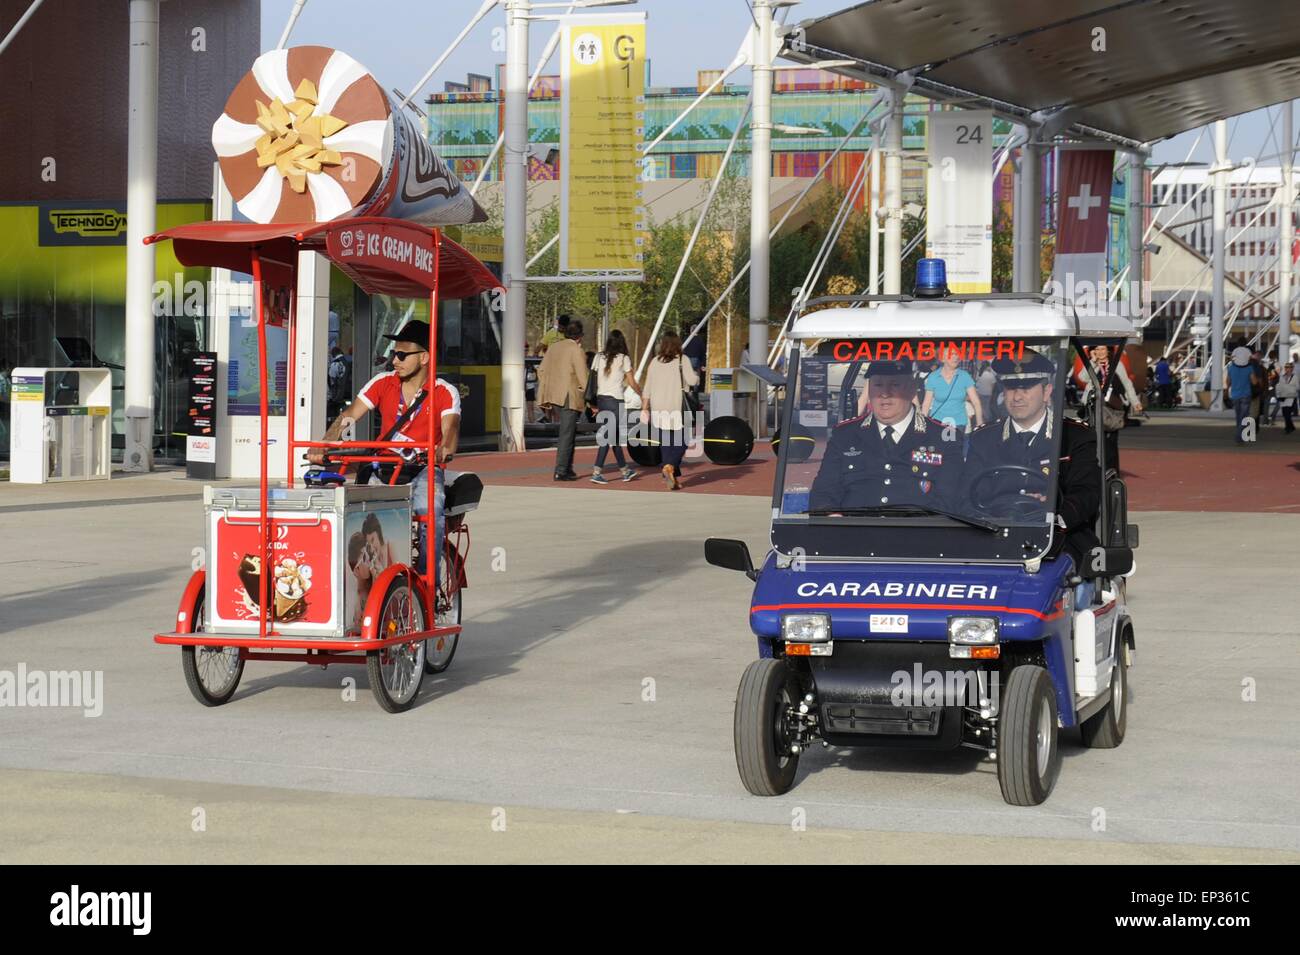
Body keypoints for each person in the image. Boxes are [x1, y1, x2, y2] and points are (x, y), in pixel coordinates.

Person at [309, 320, 461, 580]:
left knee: (430, 511)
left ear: (424, 357)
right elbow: (348, 416)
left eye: (402, 355)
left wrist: (444, 448)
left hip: (422, 468)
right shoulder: (382, 383)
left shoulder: (444, 391)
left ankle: (427, 584)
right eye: (394, 354)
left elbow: (450, 432)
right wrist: (324, 444)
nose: (395, 361)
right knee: (355, 514)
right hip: (384, 465)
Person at [966, 350, 1101, 570]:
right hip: (994, 537)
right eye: (1011, 388)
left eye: (1026, 388)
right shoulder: (984, 438)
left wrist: (1053, 516)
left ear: (1047, 391)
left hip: (1058, 539)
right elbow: (968, 494)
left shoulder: (1074, 436)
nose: (1017, 397)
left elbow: (1086, 493)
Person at [809, 360, 963, 512]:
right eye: (878, 385)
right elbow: (823, 494)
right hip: (854, 533)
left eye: (894, 385)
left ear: (911, 389)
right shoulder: (845, 435)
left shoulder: (944, 438)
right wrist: (831, 516)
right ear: (869, 391)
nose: (884, 394)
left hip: (918, 534)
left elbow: (949, 501)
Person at [640, 330, 699, 490]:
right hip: (676, 406)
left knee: (666, 443)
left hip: (658, 408)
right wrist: (698, 374)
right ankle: (670, 466)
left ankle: (672, 475)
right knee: (684, 441)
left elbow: (647, 387)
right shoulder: (682, 360)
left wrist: (645, 407)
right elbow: (692, 380)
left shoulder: (654, 362)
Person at [537, 318, 589, 480]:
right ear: (579, 336)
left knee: (569, 431)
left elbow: (542, 370)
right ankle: (561, 470)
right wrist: (588, 395)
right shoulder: (576, 350)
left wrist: (549, 386)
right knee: (567, 433)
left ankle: (568, 467)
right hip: (569, 395)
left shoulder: (553, 347)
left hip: (554, 395)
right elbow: (583, 376)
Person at [590, 329, 641, 483]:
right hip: (616, 401)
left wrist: (591, 403)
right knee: (608, 436)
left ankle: (624, 470)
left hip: (601, 399)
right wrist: (643, 393)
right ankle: (597, 471)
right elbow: (631, 382)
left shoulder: (598, 357)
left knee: (614, 436)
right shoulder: (624, 358)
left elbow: (591, 380)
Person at [1081, 345, 1141, 470]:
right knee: (1094, 440)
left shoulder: (1116, 365)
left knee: (1111, 441)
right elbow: (1083, 377)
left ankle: (1111, 470)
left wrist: (1135, 402)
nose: (1100, 352)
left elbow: (1127, 383)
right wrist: (1093, 362)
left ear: (1108, 351)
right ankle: (1096, 469)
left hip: (1112, 407)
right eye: (1097, 350)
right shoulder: (1093, 364)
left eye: (1102, 349)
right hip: (1094, 406)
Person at [921, 350, 984, 430]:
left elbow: (976, 402)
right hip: (937, 423)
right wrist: (922, 426)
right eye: (951, 354)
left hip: (959, 424)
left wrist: (979, 424)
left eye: (957, 354)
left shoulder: (964, 376)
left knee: (958, 441)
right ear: (942, 359)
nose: (956, 357)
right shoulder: (933, 377)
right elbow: (926, 404)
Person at [1227, 346, 1258, 443]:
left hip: (1235, 395)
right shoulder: (1249, 368)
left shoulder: (1231, 368)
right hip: (1246, 395)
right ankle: (1238, 435)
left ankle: (1240, 435)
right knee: (1244, 416)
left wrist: (1227, 389)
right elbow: (1254, 382)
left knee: (1238, 415)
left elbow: (1228, 381)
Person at [1276, 361, 1298, 434]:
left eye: (1289, 367)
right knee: (1284, 413)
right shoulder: (1282, 377)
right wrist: (1279, 395)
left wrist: (1288, 388)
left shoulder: (1295, 377)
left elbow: (1297, 387)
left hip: (1291, 397)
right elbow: (1279, 387)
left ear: (1292, 368)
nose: (1287, 368)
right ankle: (1291, 426)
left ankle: (1288, 428)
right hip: (1283, 397)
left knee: (1287, 413)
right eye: (1286, 367)